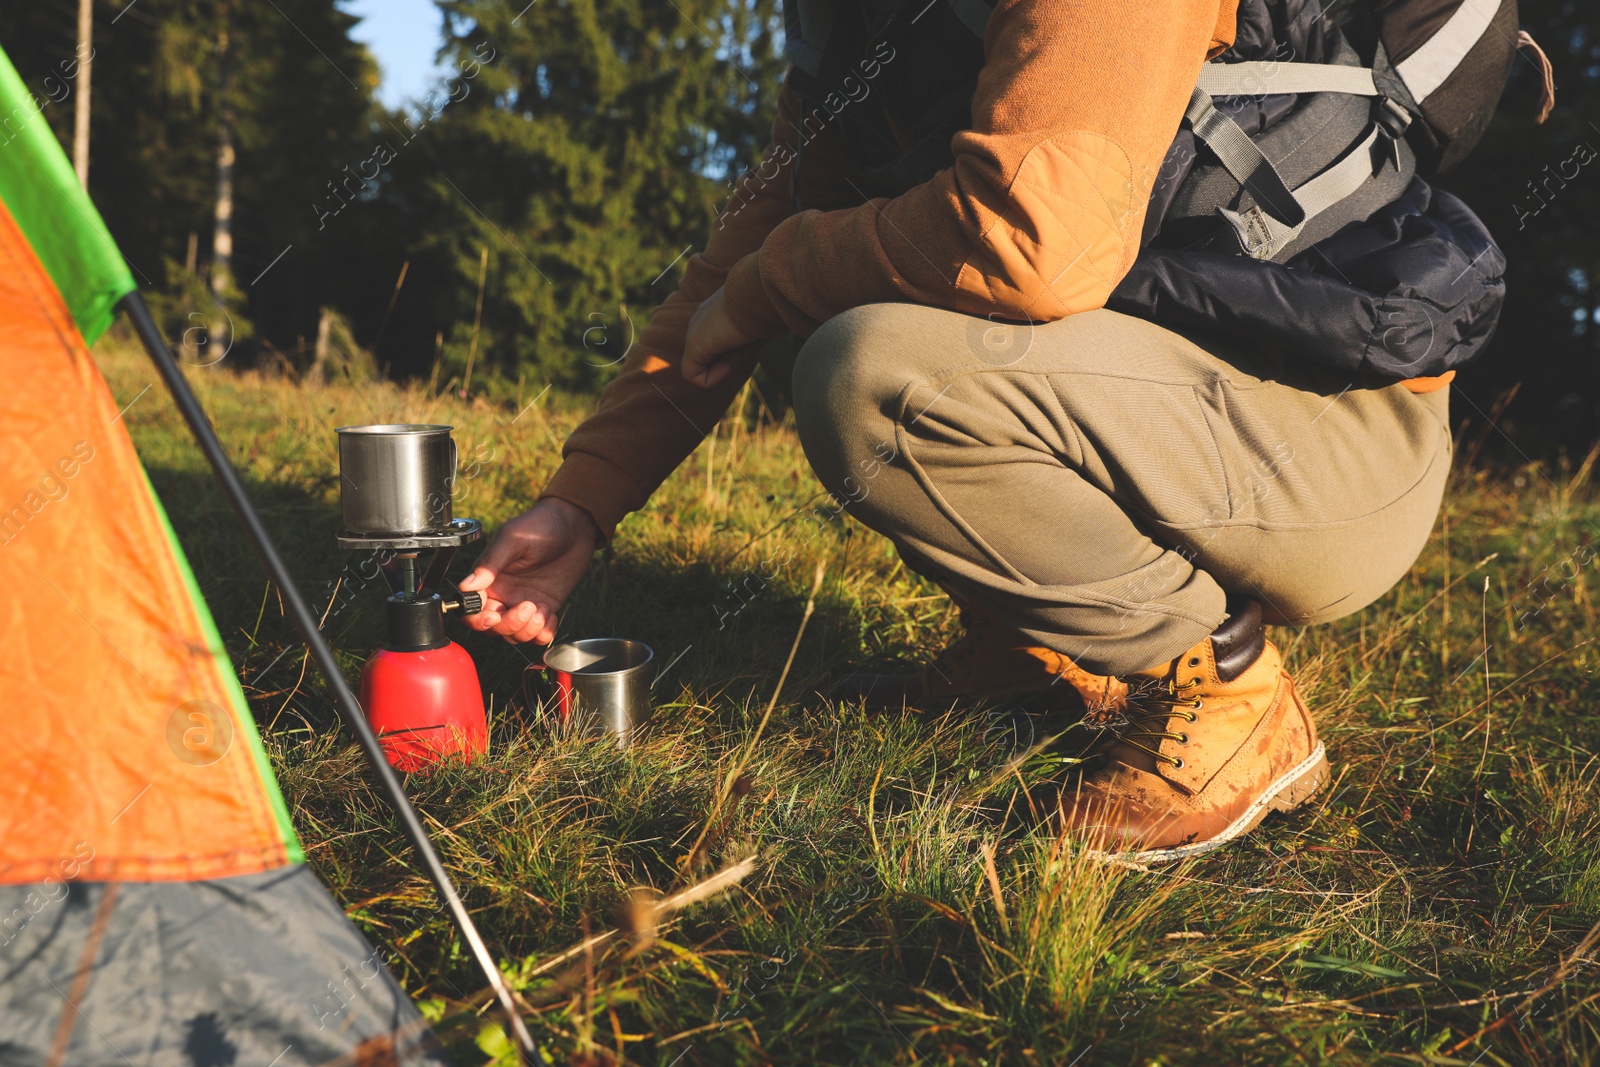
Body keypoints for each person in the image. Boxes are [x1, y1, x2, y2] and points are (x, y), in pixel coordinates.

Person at [457, 0, 1494, 861]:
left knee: (874, 369)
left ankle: (1229, 690)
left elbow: (1033, 242)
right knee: (811, 308)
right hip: (1169, 395)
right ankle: (1040, 644)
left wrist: (773, 279)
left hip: (1332, 442)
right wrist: (582, 498)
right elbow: (753, 240)